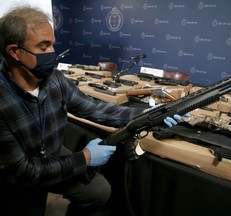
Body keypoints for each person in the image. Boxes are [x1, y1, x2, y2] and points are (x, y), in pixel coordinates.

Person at [0, 5, 182, 216]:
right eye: (43, 47)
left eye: (52, 45)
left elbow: (95, 109)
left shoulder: (54, 81)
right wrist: (84, 158)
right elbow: (24, 172)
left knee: (98, 191)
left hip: (52, 152)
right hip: (18, 174)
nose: (52, 53)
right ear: (14, 51)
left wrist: (150, 115)